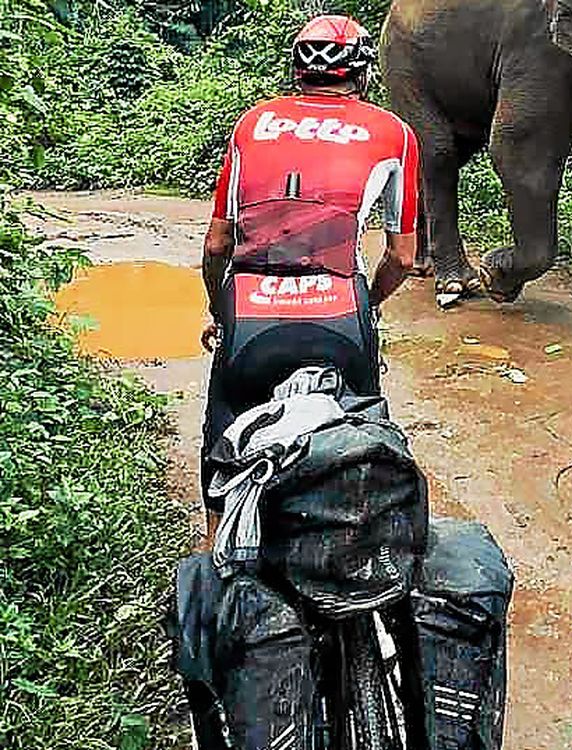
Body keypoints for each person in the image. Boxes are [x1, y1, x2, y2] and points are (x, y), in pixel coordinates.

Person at [199, 14, 419, 525]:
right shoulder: (395, 134)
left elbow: (217, 245)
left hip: (250, 317)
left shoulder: (253, 123)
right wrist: (367, 304)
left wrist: (220, 309)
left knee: (224, 442)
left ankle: (219, 553)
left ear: (297, 69)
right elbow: (403, 256)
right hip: (342, 314)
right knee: (359, 451)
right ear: (362, 72)